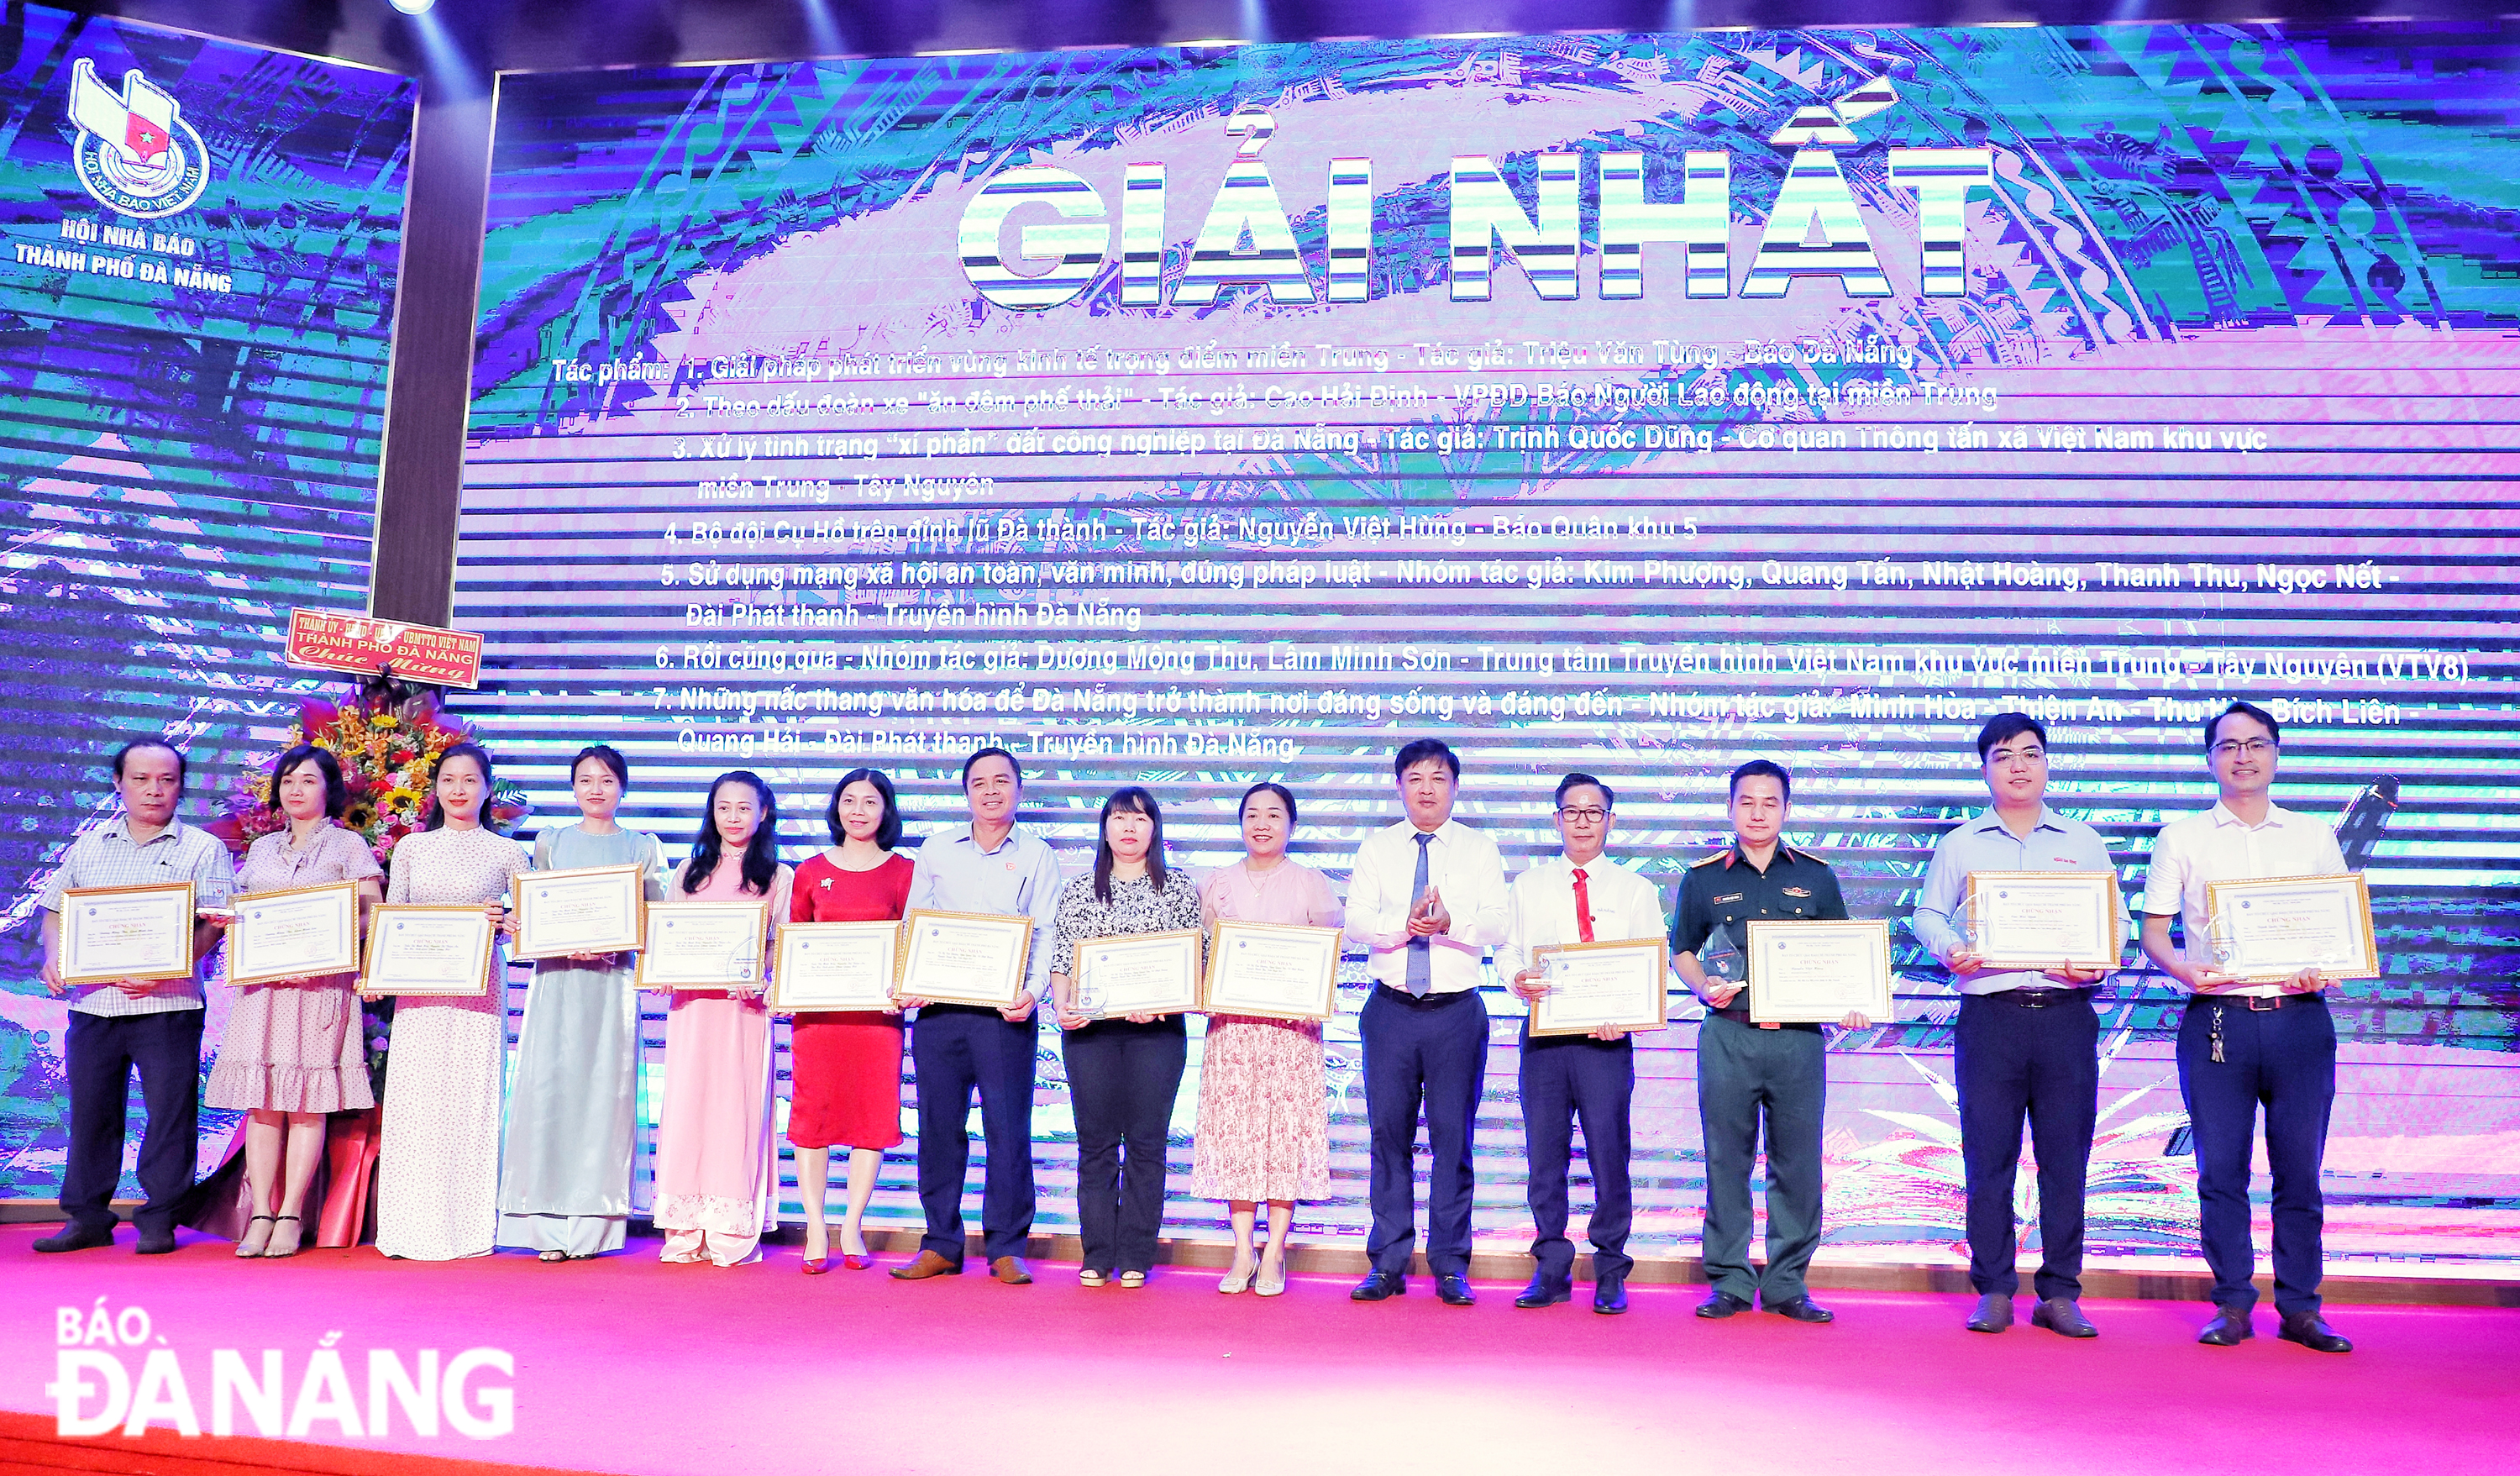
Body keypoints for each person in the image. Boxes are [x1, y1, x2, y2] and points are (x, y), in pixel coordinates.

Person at [2139, 701, 2355, 1353]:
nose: (2243, 755)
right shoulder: (2183, 836)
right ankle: (2232, 1303)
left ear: (2277, 754)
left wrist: (2332, 965)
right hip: (2219, 1024)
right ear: (2210, 759)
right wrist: (2185, 970)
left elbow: (2338, 925)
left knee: (2299, 1173)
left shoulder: (2313, 835)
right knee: (2220, 1171)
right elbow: (2152, 930)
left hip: (2300, 1023)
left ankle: (2301, 1308)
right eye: (2228, 745)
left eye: (2256, 743)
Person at [1911, 713, 2118, 1337]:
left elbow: (2119, 923)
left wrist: (2101, 955)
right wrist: (1949, 947)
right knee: (1989, 1156)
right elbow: (1926, 912)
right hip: (1991, 1018)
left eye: (2031, 753)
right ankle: (1994, 1286)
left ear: (2047, 763)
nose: (2019, 765)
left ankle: (2060, 1291)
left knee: (2065, 1159)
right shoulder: (1960, 843)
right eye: (2003, 756)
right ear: (1985, 769)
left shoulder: (2082, 841)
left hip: (2064, 1017)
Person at [1672, 759, 1866, 1324]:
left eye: (1770, 802)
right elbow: (1681, 946)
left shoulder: (1817, 876)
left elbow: (1842, 952)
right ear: (1730, 807)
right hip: (1728, 1035)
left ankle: (1787, 1283)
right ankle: (1730, 1280)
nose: (1758, 813)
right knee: (1725, 1161)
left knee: (1798, 1164)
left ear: (1786, 808)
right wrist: (1701, 983)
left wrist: (1853, 999)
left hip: (1800, 1042)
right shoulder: (1703, 877)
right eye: (1746, 802)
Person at [34, 738, 235, 1255]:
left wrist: (174, 963)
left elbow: (216, 922)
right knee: (92, 1112)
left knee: (170, 1113)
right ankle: (87, 1217)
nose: (154, 789)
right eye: (142, 779)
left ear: (180, 787)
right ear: (119, 783)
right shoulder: (91, 844)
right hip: (94, 1003)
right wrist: (55, 957)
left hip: (167, 1002)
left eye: (166, 780)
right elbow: (56, 908)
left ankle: (160, 1217)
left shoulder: (201, 848)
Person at [1342, 738, 1509, 1306]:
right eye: (1415, 777)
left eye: (1438, 777)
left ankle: (1449, 1263)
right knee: (1388, 1137)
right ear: (1398, 786)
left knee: (1452, 1139)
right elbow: (1358, 918)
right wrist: (1406, 923)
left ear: (1455, 786)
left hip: (1455, 1013)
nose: (1427, 788)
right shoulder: (1376, 846)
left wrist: (1448, 922)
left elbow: (1497, 924)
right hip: (1390, 1010)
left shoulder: (1480, 848)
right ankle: (1387, 1260)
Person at [891, 747, 1063, 1286]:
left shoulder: (1038, 855)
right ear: (965, 792)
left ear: (1018, 788)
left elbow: (1046, 931)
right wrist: (910, 980)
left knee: (1007, 1130)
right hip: (941, 1013)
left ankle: (1006, 1246)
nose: (992, 791)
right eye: (980, 782)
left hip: (1004, 1015)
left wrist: (1033, 993)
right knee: (939, 1130)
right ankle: (941, 1242)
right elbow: (914, 924)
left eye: (1003, 781)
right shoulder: (937, 850)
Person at [1497, 773, 1667, 1316]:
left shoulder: (1635, 890)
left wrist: (1628, 1018)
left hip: (1605, 1044)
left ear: (1611, 822)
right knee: (1544, 1154)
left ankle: (1610, 1269)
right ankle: (1550, 1266)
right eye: (1572, 812)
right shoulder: (1527, 886)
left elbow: (1653, 964)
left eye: (1594, 813)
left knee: (1608, 1154)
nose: (1583, 822)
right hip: (1544, 1038)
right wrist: (1516, 978)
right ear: (1556, 819)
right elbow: (1507, 951)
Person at [204, 744, 382, 1259]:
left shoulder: (348, 846)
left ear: (329, 789)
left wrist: (329, 950)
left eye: (307, 780)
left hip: (319, 988)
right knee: (264, 1103)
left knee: (306, 1104)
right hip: (264, 990)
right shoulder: (261, 850)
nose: (296, 790)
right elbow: (244, 911)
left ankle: (291, 1214)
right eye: (287, 781)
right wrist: (229, 922)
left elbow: (374, 913)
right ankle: (261, 1211)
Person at [497, 745, 667, 1261]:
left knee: (601, 1101)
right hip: (557, 985)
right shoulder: (550, 843)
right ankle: (546, 1230)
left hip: (610, 988)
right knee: (550, 1097)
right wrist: (523, 927)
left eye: (607, 780)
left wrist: (619, 940)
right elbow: (533, 912)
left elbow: (658, 919)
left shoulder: (643, 846)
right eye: (586, 780)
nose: (596, 789)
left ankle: (592, 1230)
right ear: (573, 788)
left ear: (623, 788)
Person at [374, 743, 528, 1262]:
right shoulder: (413, 848)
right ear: (435, 788)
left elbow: (524, 928)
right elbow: (393, 919)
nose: (457, 790)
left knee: (470, 1102)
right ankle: (408, 1226)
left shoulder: (508, 852)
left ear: (487, 788)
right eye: (447, 780)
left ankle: (467, 1228)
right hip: (419, 996)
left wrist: (506, 924)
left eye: (469, 780)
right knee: (416, 1103)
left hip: (480, 992)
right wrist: (379, 972)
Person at [1192, 781, 1342, 1298]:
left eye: (1274, 814)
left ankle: (1275, 1251)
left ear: (1292, 825)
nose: (1262, 823)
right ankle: (1241, 1250)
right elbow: (1202, 957)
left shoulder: (1311, 882)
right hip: (1232, 1031)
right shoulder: (1216, 882)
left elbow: (1327, 958)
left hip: (1291, 1034)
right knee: (1236, 1137)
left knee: (1284, 1138)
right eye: (1252, 814)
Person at [1048, 786, 1200, 1287]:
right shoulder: (1079, 888)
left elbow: (1193, 964)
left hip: (1157, 1034)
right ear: (1105, 828)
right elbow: (1063, 962)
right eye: (1118, 817)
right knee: (1094, 1144)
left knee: (1146, 1143)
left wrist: (1164, 1002)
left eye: (1139, 818)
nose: (1129, 827)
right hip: (1090, 1035)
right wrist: (1063, 1007)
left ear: (1155, 829)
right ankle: (1097, 1253)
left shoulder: (1178, 888)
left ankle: (1136, 1253)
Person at [651, 770, 792, 1267]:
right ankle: (685, 1230)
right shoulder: (688, 870)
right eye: (724, 807)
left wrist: (762, 978)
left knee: (736, 1110)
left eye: (744, 808)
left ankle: (731, 1232)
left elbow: (782, 948)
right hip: (691, 1011)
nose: (733, 817)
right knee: (689, 1109)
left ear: (764, 812)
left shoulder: (779, 875)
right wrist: (663, 970)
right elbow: (668, 937)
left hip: (743, 1013)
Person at [785, 768, 914, 1273]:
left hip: (876, 1021)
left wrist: (903, 989)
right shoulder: (810, 870)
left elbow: (911, 943)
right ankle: (816, 1227)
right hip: (818, 1021)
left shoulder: (903, 871)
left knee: (870, 1120)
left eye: (870, 802)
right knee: (812, 1120)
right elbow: (796, 939)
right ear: (836, 807)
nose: (858, 810)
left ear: (886, 811)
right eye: (849, 800)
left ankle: (852, 1224)